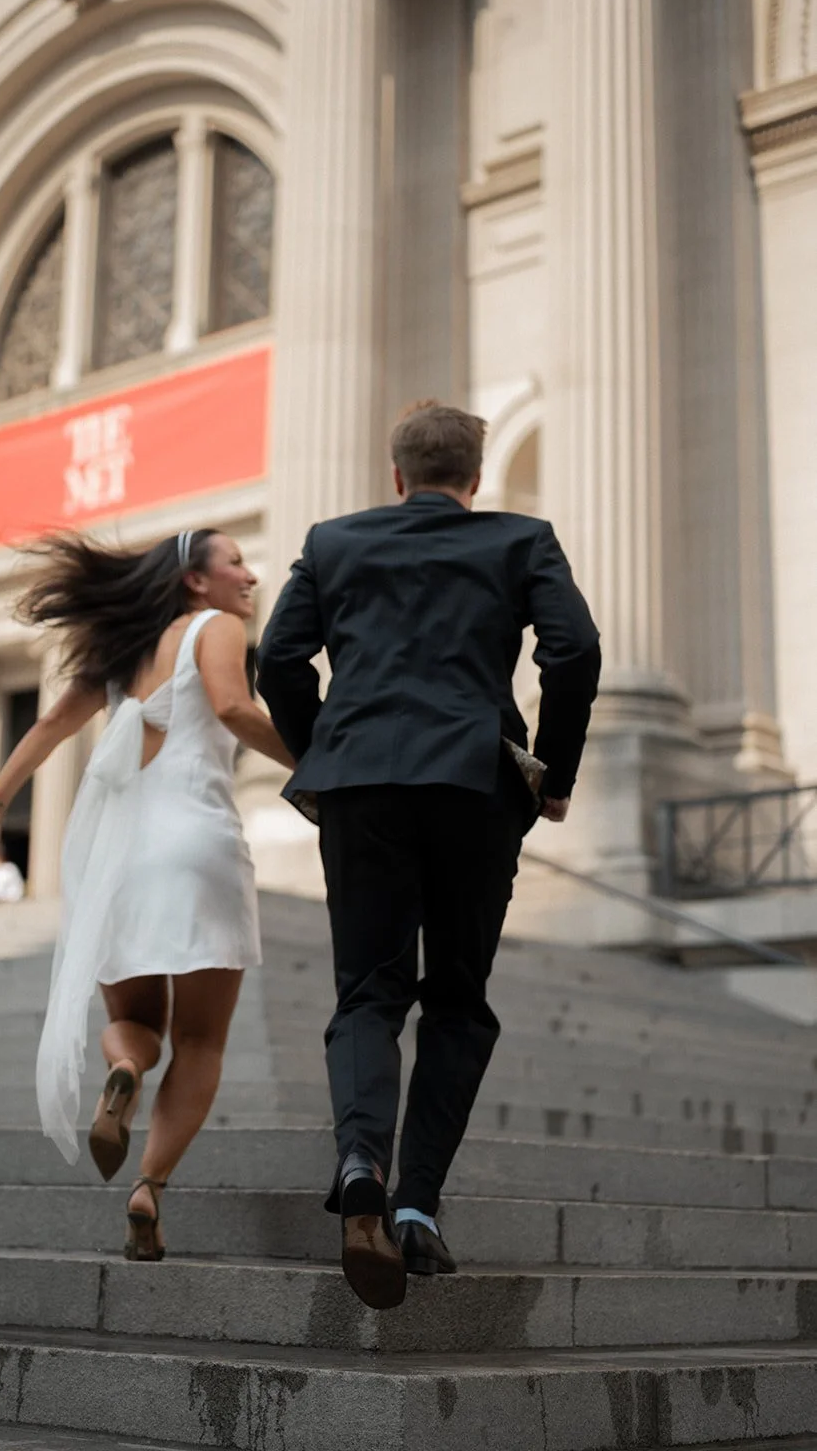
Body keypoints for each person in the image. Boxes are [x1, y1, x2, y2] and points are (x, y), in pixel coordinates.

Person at [257, 401, 600, 1310]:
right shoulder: (522, 540)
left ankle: (362, 1157)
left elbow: (279, 661)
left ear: (396, 473)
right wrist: (552, 775)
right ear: (476, 478)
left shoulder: (332, 543)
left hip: (363, 785)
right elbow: (575, 651)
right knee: (456, 999)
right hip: (474, 786)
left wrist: (321, 752)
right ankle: (416, 1209)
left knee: (369, 992)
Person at [0, 529, 292, 1260]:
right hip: (196, 843)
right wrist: (316, 765)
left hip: (116, 856)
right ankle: (148, 1188)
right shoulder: (219, 628)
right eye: (235, 562)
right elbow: (235, 710)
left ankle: (124, 1071)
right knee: (201, 1040)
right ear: (196, 583)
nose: (250, 574)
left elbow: (50, 724)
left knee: (137, 1023)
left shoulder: (120, 652)